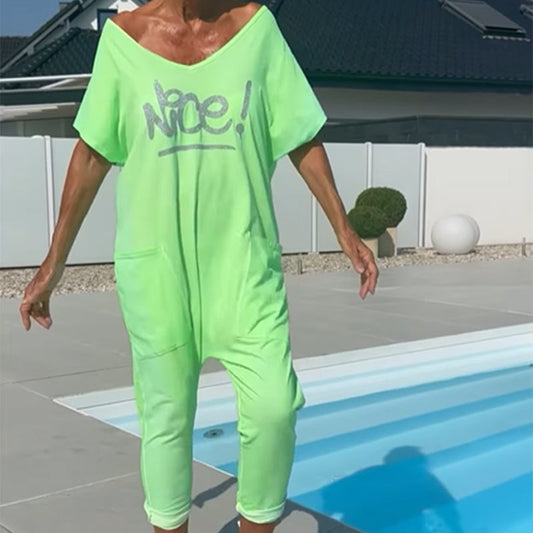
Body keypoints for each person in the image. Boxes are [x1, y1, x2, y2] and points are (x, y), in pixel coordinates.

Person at [19, 1, 379, 532]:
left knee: (274, 408)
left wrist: (344, 231)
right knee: (165, 418)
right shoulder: (122, 39)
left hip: (244, 261)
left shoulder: (258, 31)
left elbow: (301, 135)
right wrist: (54, 264)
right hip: (156, 269)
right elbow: (92, 154)